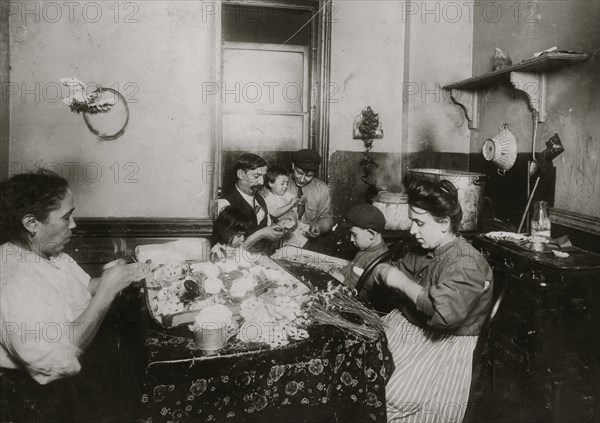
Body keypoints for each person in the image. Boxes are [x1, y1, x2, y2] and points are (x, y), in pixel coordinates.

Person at [0, 170, 148, 420]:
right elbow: (59, 358)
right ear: (31, 223)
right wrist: (107, 291)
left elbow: (83, 287)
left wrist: (120, 277)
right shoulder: (15, 282)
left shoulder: (49, 254)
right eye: (66, 217)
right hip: (48, 403)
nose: (74, 224)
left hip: (85, 379)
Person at [373, 175, 493, 423]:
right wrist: (385, 273)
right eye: (411, 221)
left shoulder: (467, 262)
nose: (411, 230)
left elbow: (445, 314)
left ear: (444, 222)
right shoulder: (426, 249)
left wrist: (399, 280)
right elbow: (400, 269)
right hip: (408, 329)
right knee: (364, 371)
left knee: (391, 396)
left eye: (419, 223)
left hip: (442, 344)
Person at [217, 153, 284, 253]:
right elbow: (229, 251)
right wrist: (261, 234)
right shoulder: (225, 203)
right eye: (256, 176)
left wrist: (278, 228)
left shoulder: (260, 199)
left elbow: (267, 227)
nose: (261, 182)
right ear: (241, 174)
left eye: (263, 177)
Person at [329, 203, 388, 299]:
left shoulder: (376, 263)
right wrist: (338, 271)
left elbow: (365, 297)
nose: (351, 239)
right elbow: (351, 271)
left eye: (354, 235)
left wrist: (343, 281)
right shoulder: (365, 250)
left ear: (371, 234)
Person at [285, 149, 334, 247]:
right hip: (283, 240)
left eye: (309, 176)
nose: (302, 179)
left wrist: (318, 227)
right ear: (293, 166)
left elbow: (327, 217)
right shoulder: (280, 184)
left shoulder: (321, 189)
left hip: (309, 243)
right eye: (299, 173)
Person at [260, 164, 310, 247]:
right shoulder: (269, 199)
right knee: (288, 246)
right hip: (282, 230)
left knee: (305, 236)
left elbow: (296, 210)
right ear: (271, 184)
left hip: (294, 226)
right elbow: (275, 213)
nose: (285, 186)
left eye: (287, 183)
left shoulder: (288, 195)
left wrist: (300, 203)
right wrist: (290, 204)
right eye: (282, 183)